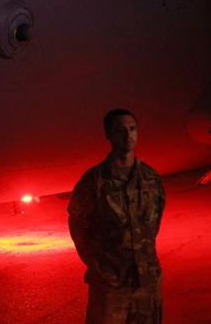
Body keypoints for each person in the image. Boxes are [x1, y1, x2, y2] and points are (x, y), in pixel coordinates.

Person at [68, 109, 165, 323]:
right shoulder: (94, 181)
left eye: (132, 129)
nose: (128, 135)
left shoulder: (151, 178)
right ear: (109, 136)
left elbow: (154, 224)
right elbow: (78, 227)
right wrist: (99, 267)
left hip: (147, 283)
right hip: (110, 286)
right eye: (120, 131)